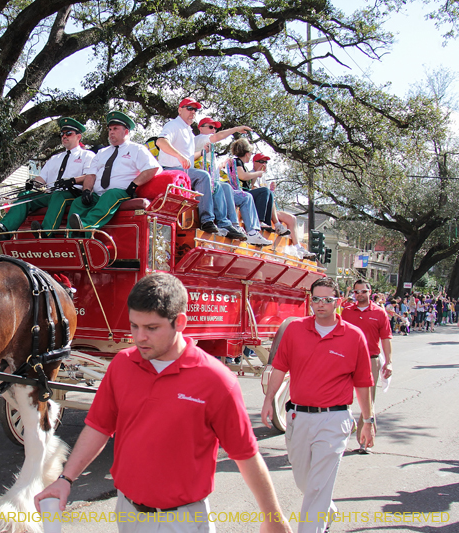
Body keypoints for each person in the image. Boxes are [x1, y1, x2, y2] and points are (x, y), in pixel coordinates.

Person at [35, 273, 293, 533]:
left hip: (183, 521)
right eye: (134, 325)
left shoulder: (216, 380)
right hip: (127, 514)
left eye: (152, 328)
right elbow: (99, 427)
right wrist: (66, 479)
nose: (140, 337)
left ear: (179, 322)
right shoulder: (122, 365)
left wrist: (273, 517)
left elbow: (245, 454)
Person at [261, 277, 375, 533]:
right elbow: (279, 368)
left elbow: (363, 383)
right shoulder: (295, 329)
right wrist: (269, 399)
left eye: (327, 299)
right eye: (316, 299)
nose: (321, 304)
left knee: (317, 485)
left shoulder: (354, 336)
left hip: (334, 420)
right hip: (298, 417)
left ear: (338, 301)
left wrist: (368, 421)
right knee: (306, 481)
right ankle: (327, 509)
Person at [0, 117, 94, 240]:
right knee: (25, 195)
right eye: (62, 134)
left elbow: (89, 176)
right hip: (51, 194)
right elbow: (42, 178)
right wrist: (32, 183)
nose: (64, 136)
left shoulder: (87, 155)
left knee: (59, 196)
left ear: (78, 136)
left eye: (68, 133)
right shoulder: (55, 158)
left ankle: (47, 232)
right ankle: (5, 230)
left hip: (73, 194)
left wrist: (72, 180)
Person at [155, 102, 244, 240]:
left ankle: (224, 223)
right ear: (180, 110)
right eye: (189, 108)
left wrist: (202, 153)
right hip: (171, 170)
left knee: (216, 185)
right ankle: (207, 221)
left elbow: (190, 157)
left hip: (184, 171)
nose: (193, 112)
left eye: (195, 110)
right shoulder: (173, 125)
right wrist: (179, 156)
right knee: (203, 176)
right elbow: (160, 142)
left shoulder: (189, 132)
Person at [66, 111, 161, 236]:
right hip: (99, 194)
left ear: (126, 132)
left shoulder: (137, 149)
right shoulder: (102, 152)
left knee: (110, 195)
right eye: (110, 129)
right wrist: (87, 191)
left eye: (115, 129)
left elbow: (152, 168)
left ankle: (85, 227)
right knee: (78, 202)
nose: (111, 132)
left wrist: (134, 185)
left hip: (121, 192)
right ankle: (69, 237)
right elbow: (91, 174)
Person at [340, 279, 393, 453]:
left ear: (370, 292)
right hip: (347, 359)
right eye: (357, 292)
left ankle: (364, 441)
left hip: (371, 360)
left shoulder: (380, 313)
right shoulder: (346, 312)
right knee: (340, 396)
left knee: (368, 401)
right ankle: (342, 431)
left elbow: (386, 338)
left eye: (363, 291)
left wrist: (389, 362)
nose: (360, 294)